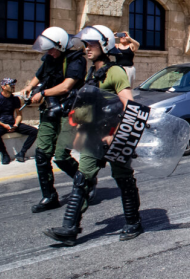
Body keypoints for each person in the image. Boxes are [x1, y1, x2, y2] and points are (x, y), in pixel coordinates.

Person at [44, 25, 143, 245]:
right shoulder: (92, 73)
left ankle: (133, 222)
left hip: (113, 136)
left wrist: (115, 135)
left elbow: (130, 106)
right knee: (82, 178)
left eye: (91, 44)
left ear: (105, 45)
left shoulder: (115, 71)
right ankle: (69, 229)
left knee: (123, 179)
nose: (87, 48)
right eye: (86, 44)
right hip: (92, 135)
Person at [20, 27, 87, 213]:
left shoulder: (76, 60)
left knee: (61, 156)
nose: (49, 52)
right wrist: (29, 87)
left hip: (69, 111)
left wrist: (42, 93)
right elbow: (40, 75)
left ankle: (85, 183)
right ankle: (49, 196)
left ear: (61, 45)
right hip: (50, 110)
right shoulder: (51, 57)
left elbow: (66, 86)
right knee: (42, 154)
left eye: (51, 49)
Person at [0, 78, 37, 164]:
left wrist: (16, 124)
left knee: (34, 131)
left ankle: (22, 153)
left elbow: (19, 115)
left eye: (13, 85)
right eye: (10, 85)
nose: (13, 86)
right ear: (3, 86)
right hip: (0, 123)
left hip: (12, 123)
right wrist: (4, 125)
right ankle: (4, 154)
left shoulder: (15, 99)